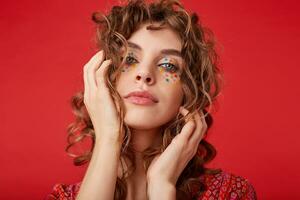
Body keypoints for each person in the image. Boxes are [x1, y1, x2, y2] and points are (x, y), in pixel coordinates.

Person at [47, 0, 257, 199]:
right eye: (129, 59)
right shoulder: (65, 197)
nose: (145, 73)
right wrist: (109, 139)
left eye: (168, 65)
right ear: (103, 76)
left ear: (188, 91)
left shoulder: (229, 193)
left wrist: (162, 187)